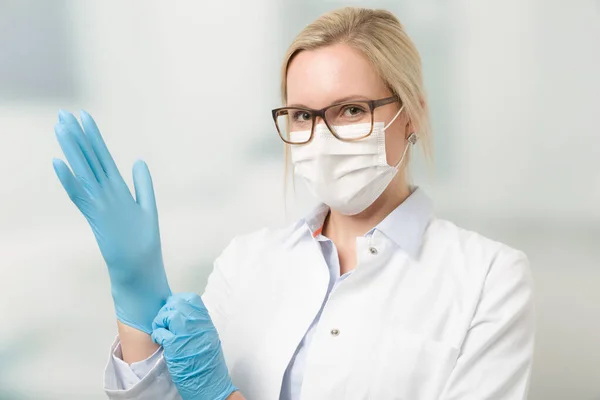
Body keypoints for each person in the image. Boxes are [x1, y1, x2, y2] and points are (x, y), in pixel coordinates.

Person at [52, 7, 535, 400]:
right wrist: (135, 294)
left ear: (411, 116)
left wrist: (221, 397)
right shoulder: (245, 263)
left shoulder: (489, 278)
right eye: (303, 114)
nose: (322, 136)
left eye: (350, 110)